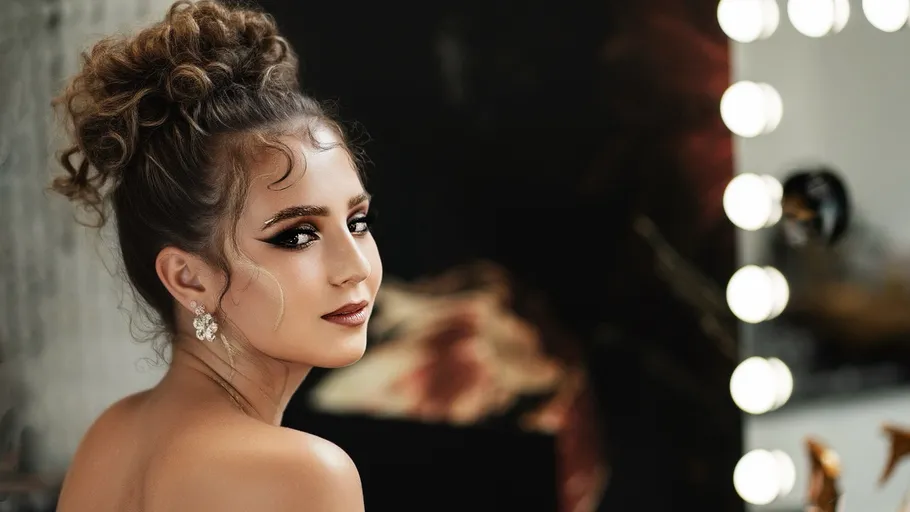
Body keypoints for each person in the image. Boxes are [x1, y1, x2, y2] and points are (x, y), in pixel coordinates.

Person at [51, 1, 381, 510]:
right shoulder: (307, 475)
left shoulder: (114, 433)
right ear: (189, 278)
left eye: (357, 222)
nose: (356, 267)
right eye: (297, 235)